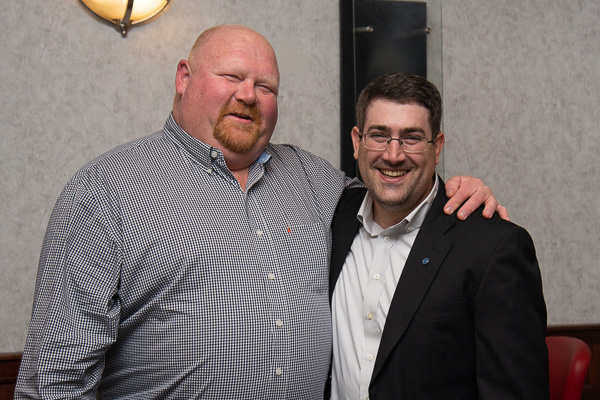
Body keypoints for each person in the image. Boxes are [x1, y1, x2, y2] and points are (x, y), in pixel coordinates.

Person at [16, 25, 502, 399]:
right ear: (184, 78)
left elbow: (395, 188)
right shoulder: (106, 191)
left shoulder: (315, 180)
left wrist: (456, 189)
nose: (248, 94)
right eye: (231, 77)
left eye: (265, 86)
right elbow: (56, 379)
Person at [329, 72, 549, 399]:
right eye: (378, 135)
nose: (393, 154)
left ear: (438, 147)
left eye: (412, 138)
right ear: (356, 143)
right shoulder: (330, 219)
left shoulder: (493, 247)